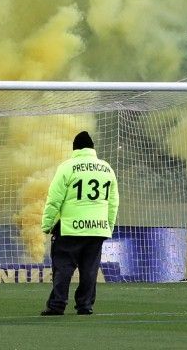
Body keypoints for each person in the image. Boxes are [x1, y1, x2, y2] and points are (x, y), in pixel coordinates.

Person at [40, 130, 119, 316]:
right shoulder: (107, 168)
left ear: (74, 149)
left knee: (63, 268)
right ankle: (85, 306)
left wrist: (47, 224)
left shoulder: (67, 167)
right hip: (97, 229)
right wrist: (108, 225)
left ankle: (57, 305)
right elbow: (113, 202)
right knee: (90, 270)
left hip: (71, 229)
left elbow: (54, 199)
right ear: (93, 148)